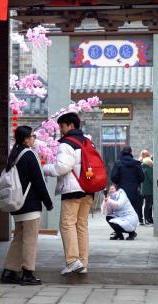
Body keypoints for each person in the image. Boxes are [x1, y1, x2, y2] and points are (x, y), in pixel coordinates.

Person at [0, 126, 53, 285]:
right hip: (30, 204)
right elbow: (39, 181)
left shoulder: (14, 155)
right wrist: (48, 203)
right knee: (30, 239)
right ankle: (27, 273)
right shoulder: (30, 155)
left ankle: (9, 271)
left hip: (17, 203)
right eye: (32, 136)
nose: (34, 138)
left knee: (18, 238)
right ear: (25, 139)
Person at [43, 112, 93, 276]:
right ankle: (83, 263)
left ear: (71, 125)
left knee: (67, 224)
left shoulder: (67, 143)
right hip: (88, 189)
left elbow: (61, 168)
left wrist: (46, 169)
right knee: (81, 226)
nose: (61, 130)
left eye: (62, 126)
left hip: (73, 189)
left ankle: (72, 261)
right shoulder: (87, 142)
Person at [110, 145, 145, 226]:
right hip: (133, 192)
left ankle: (119, 230)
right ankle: (131, 231)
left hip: (121, 192)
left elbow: (113, 177)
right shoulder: (136, 164)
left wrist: (119, 181)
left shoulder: (118, 163)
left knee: (120, 212)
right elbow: (142, 178)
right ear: (131, 152)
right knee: (132, 212)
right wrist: (136, 182)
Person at [141, 157, 154, 225]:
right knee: (148, 205)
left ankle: (146, 219)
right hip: (149, 190)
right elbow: (152, 179)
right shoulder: (148, 169)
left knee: (145, 205)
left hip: (143, 190)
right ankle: (147, 219)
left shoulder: (141, 168)